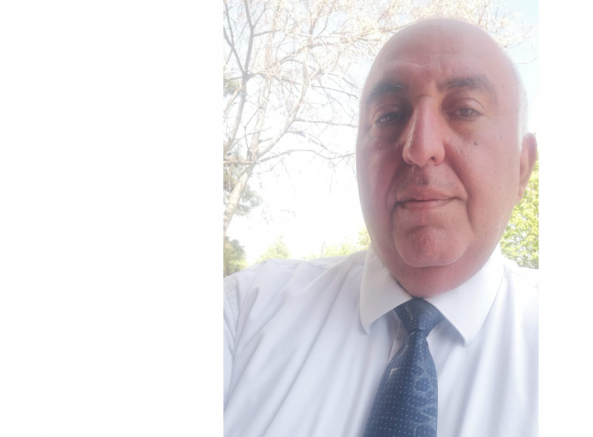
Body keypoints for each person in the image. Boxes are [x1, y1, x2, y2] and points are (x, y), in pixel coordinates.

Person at [224, 17, 539, 437]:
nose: (420, 147)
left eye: (465, 110)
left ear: (522, 166)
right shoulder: (245, 312)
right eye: (388, 115)